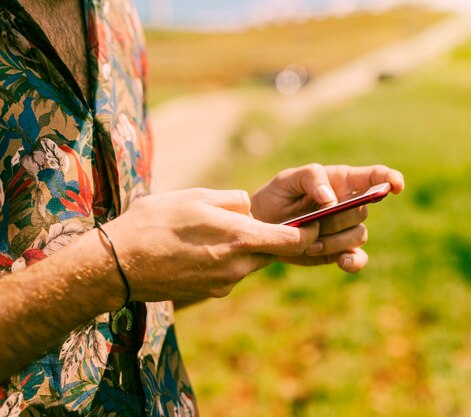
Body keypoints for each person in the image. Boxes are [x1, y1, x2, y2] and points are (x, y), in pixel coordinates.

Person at [0, 0, 404, 415]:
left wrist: (248, 231)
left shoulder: (117, 17)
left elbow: (133, 286)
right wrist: (108, 269)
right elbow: (116, 268)